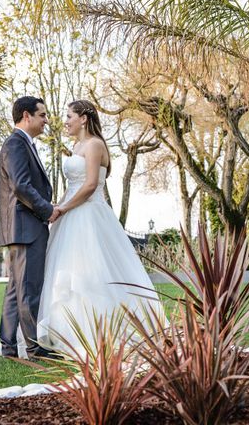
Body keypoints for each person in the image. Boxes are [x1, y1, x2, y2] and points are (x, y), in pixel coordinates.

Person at [36, 99, 163, 358]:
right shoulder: (76, 146)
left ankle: (99, 333)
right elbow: (73, 185)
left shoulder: (95, 145)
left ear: (83, 118)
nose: (66, 121)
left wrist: (63, 208)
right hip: (70, 214)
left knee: (92, 273)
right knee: (67, 274)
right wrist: (56, 208)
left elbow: (91, 185)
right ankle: (66, 334)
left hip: (89, 215)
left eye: (69, 116)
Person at [0, 96, 61, 360]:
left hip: (22, 227)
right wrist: (47, 209)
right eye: (42, 115)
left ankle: (9, 345)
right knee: (28, 289)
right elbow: (21, 186)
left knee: (16, 288)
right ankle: (34, 348)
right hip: (25, 227)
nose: (46, 120)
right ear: (27, 116)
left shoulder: (24, 144)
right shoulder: (16, 144)